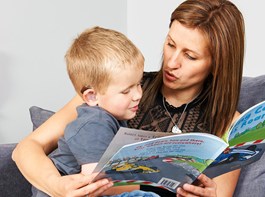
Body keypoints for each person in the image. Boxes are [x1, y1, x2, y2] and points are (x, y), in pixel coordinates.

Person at [13, 0, 245, 196]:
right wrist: (57, 186)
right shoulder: (115, 88)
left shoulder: (231, 123)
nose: (172, 63)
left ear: (217, 64)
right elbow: (26, 148)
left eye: (190, 56)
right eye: (170, 44)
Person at [30, 26, 158, 197]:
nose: (138, 95)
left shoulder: (112, 115)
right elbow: (96, 184)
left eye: (139, 83)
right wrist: (153, 183)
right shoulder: (94, 123)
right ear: (91, 97)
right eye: (126, 91)